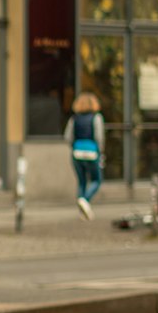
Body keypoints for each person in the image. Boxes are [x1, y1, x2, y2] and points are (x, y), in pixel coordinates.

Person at [64, 91, 105, 221]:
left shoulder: (73, 119)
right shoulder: (96, 118)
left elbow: (67, 137)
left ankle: (82, 210)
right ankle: (85, 200)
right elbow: (99, 137)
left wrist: (75, 146)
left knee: (81, 182)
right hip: (92, 152)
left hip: (77, 152)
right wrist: (100, 151)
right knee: (96, 180)